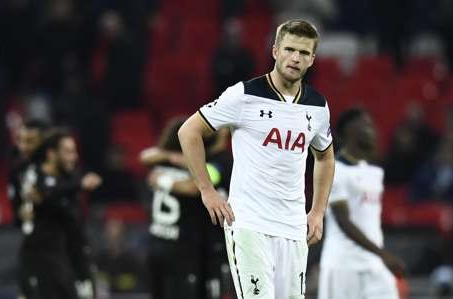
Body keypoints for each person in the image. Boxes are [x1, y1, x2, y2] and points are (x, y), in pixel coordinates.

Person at [178, 20, 335, 298]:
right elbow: (189, 132)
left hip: (293, 226)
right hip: (250, 222)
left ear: (312, 59)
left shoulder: (317, 106)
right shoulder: (244, 95)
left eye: (303, 53)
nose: (295, 58)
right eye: (289, 49)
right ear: (275, 51)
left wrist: (318, 211)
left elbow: (324, 157)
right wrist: (206, 190)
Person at [318, 108, 405, 299]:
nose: (371, 130)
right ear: (348, 130)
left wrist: (380, 256)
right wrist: (382, 254)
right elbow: (344, 222)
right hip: (343, 267)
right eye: (365, 124)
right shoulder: (334, 170)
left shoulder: (374, 173)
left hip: (375, 265)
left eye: (371, 125)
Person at [144, 118, 232, 299]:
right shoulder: (191, 157)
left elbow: (198, 184)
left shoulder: (221, 162)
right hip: (193, 246)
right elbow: (146, 156)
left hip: (210, 246)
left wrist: (162, 180)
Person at [19, 129, 101, 299]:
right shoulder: (35, 176)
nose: (74, 157)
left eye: (75, 151)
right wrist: (78, 185)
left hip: (76, 257)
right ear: (51, 154)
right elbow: (44, 196)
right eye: (68, 152)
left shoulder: (70, 177)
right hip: (47, 259)